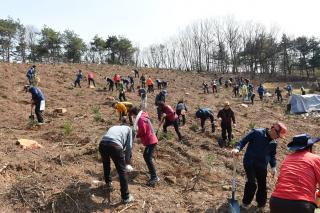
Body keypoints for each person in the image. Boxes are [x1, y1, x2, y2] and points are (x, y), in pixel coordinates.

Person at [231, 122, 287, 211]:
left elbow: (272, 155)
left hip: (262, 165)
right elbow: (243, 141)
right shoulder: (256, 132)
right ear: (273, 130)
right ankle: (245, 203)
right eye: (277, 135)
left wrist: (273, 167)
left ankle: (261, 204)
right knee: (252, 182)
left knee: (262, 185)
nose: (277, 138)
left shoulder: (274, 143)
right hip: (250, 162)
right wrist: (237, 148)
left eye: (278, 137)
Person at [269, 134, 320, 213]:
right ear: (310, 147)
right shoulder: (315, 159)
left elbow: (281, 180)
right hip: (301, 205)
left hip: (276, 201)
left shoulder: (287, 159)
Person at [98, 125, 134, 204]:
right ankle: (125, 197)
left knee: (106, 164)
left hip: (102, 144)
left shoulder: (113, 127)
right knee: (122, 171)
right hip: (115, 146)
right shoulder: (129, 129)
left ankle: (108, 183)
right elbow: (129, 147)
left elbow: (108, 138)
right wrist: (127, 162)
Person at [131, 107, 160, 186]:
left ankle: (154, 177)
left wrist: (137, 135)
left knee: (147, 157)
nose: (133, 117)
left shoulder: (140, 119)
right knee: (146, 156)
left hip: (150, 140)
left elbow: (143, 130)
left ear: (134, 114)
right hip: (151, 139)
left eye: (133, 116)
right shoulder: (144, 116)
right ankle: (152, 173)